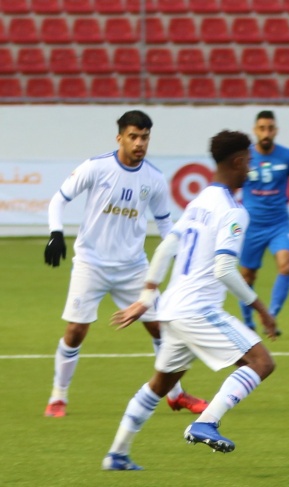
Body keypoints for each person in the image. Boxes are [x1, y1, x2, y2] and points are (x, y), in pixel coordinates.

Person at [102, 130, 278, 471]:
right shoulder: (233, 211)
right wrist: (261, 308)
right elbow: (225, 268)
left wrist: (146, 297)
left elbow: (166, 247)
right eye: (249, 162)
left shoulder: (199, 202)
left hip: (172, 309)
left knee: (159, 385)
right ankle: (206, 422)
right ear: (238, 161)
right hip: (198, 310)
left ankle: (117, 454)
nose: (250, 169)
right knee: (261, 362)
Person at [43, 110, 207, 418]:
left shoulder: (154, 179)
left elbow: (164, 224)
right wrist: (56, 234)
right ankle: (58, 396)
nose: (139, 143)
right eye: (133, 136)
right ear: (120, 137)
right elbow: (58, 200)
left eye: (145, 137)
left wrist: (184, 255)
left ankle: (175, 394)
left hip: (133, 268)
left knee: (162, 329)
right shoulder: (96, 167)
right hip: (91, 263)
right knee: (76, 330)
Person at [238, 110, 289, 335]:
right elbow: (230, 184)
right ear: (255, 130)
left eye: (270, 128)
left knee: (287, 265)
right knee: (247, 276)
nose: (266, 133)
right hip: (252, 225)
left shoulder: (288, 157)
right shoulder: (245, 157)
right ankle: (248, 322)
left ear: (276, 130)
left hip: (279, 223)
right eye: (262, 128)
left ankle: (271, 316)